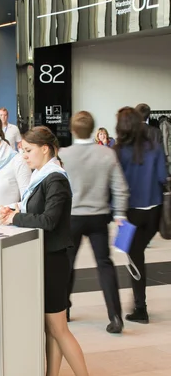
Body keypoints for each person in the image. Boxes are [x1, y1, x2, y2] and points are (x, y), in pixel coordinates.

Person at [0, 127, 101, 376]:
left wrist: (15, 219)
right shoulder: (43, 176)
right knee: (52, 326)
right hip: (47, 258)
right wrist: (16, 211)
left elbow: (49, 221)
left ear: (45, 148)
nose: (25, 156)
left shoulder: (55, 179)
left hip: (54, 260)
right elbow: (39, 211)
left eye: (28, 151)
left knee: (58, 328)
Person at [60, 111, 129, 334]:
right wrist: (120, 214)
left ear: (72, 129)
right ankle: (115, 316)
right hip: (99, 217)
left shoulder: (64, 154)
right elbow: (120, 187)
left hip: (72, 218)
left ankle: (64, 310)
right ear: (93, 129)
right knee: (104, 265)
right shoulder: (107, 154)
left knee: (67, 264)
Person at [116, 107, 168, 324]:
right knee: (138, 254)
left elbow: (116, 185)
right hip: (154, 210)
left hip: (131, 212)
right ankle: (139, 305)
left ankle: (141, 307)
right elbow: (162, 177)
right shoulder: (155, 147)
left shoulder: (117, 150)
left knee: (135, 257)